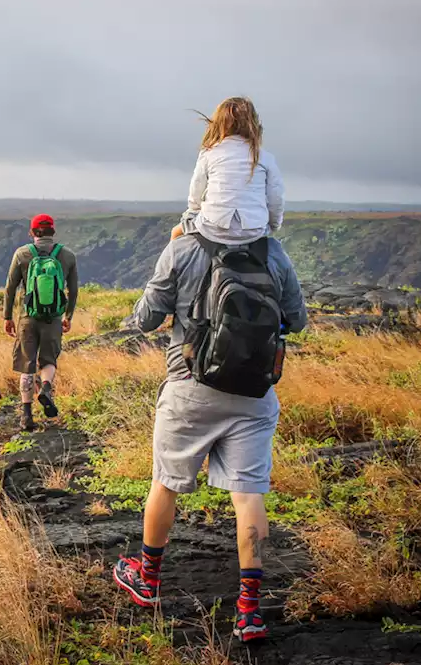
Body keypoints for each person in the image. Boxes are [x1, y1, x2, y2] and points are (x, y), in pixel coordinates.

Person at [111, 229, 307, 642]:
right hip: (254, 394)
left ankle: (147, 581)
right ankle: (249, 612)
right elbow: (299, 320)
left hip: (190, 389)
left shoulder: (183, 247)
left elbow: (146, 318)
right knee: (249, 495)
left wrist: (174, 248)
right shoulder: (273, 251)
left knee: (165, 484)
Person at [170, 97, 285, 245]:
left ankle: (169, 267)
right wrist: (273, 225)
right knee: (281, 262)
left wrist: (193, 212)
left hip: (213, 227)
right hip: (254, 230)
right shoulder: (265, 157)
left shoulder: (209, 153)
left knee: (176, 233)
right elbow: (276, 198)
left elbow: (195, 194)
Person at [3, 214, 79, 432]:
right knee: (48, 360)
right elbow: (72, 290)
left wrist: (7, 316)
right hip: (53, 318)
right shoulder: (67, 256)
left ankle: (26, 415)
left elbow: (10, 288)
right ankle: (45, 386)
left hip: (28, 317)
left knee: (27, 364)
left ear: (32, 233)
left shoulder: (22, 254)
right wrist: (68, 316)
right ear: (52, 232)